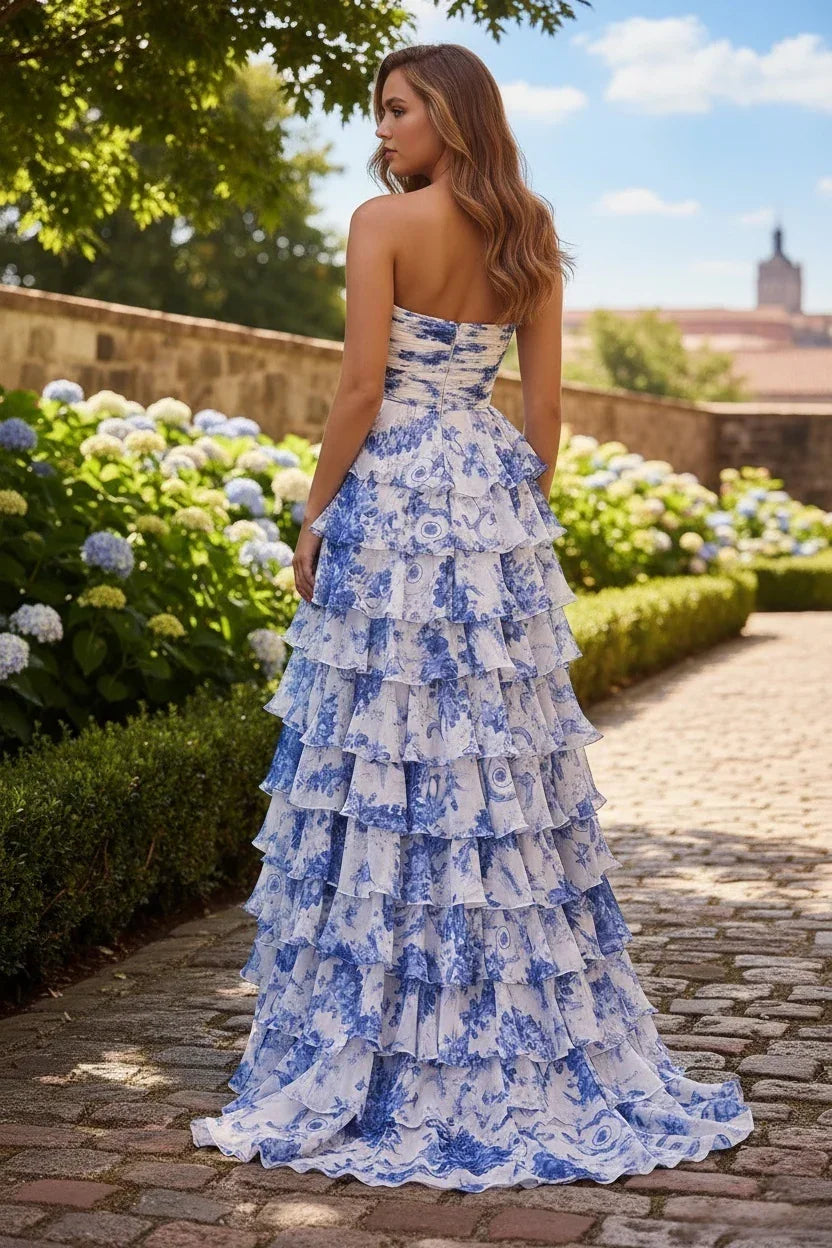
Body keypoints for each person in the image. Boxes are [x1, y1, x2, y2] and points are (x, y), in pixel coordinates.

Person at [190, 41, 754, 1190]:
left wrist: (312, 515)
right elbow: (542, 424)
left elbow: (357, 388)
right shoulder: (531, 235)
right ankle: (501, 1008)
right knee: (491, 761)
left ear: (446, 110)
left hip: (391, 496)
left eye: (396, 109)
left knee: (379, 749)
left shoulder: (379, 225)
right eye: (379, 113)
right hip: (486, 501)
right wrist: (498, 516)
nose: (382, 130)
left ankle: (378, 1030)